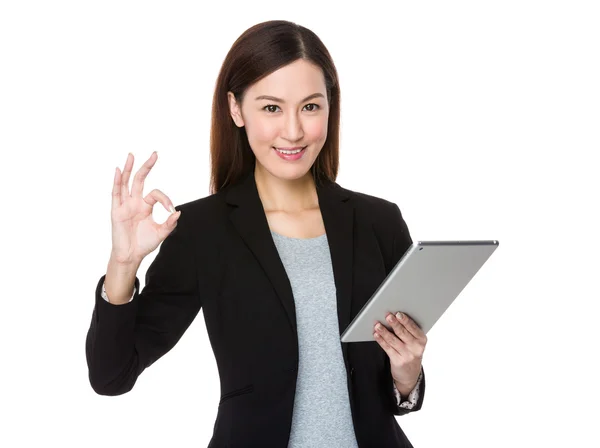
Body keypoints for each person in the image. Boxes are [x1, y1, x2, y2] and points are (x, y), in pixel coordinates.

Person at [85, 20, 427, 448]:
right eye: (271, 108)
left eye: (310, 106)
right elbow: (111, 376)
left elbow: (397, 395)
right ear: (235, 109)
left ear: (329, 108)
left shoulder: (380, 222)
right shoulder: (202, 230)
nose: (293, 131)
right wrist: (123, 265)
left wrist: (407, 372)